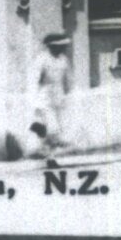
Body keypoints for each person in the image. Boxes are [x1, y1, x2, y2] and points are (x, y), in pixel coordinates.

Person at [27, 30, 74, 163]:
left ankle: (48, 155)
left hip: (58, 96)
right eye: (60, 46)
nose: (63, 49)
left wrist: (67, 95)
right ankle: (48, 156)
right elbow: (34, 80)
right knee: (52, 128)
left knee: (55, 129)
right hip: (44, 96)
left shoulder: (63, 60)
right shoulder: (42, 59)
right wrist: (34, 102)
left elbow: (68, 79)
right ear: (52, 46)